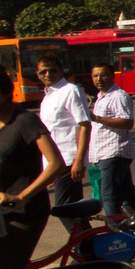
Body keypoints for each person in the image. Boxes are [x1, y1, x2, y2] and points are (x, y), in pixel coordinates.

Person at [0, 69, 65, 269]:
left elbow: (55, 164)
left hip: (24, 213)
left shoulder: (25, 121)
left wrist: (20, 196)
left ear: (5, 93)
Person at [36, 54, 91, 231]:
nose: (47, 74)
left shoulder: (70, 90)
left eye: (52, 70)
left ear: (61, 71)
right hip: (55, 162)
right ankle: (88, 249)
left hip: (69, 160)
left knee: (64, 209)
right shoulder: (47, 97)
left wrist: (78, 160)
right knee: (73, 210)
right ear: (37, 74)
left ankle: (86, 251)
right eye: (43, 71)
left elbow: (84, 125)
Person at [87, 63, 135, 219]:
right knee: (126, 194)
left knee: (109, 195)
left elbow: (127, 122)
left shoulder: (118, 96)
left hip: (113, 152)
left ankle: (115, 233)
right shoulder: (100, 97)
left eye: (103, 75)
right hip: (103, 152)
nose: (99, 79)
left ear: (112, 76)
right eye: (95, 76)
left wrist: (97, 118)